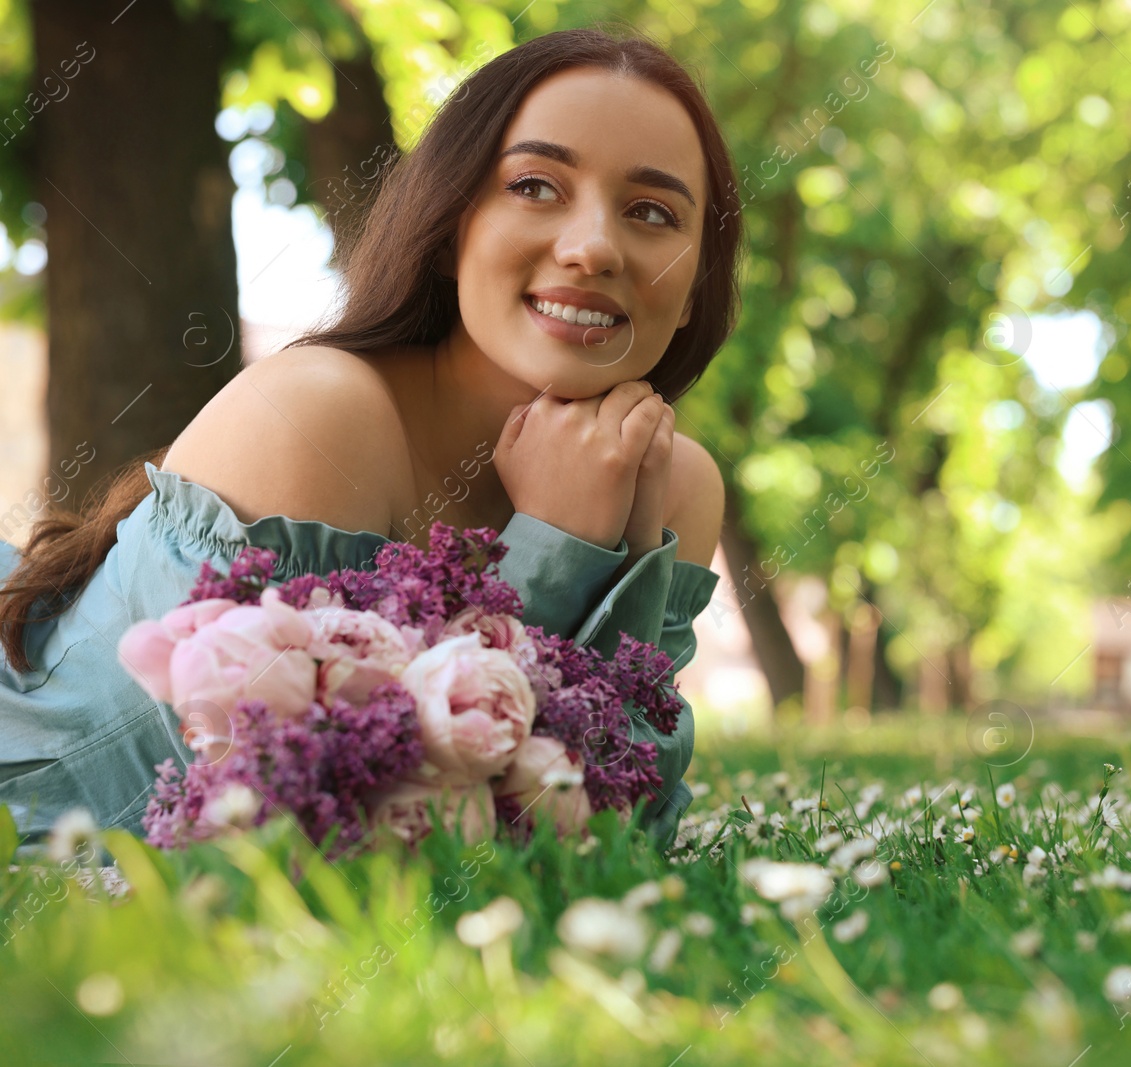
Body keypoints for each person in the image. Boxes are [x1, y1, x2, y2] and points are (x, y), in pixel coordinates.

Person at [0, 25, 744, 855]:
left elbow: (621, 832)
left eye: (652, 212)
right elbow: (315, 842)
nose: (593, 246)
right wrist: (559, 548)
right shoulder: (321, 417)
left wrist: (633, 552)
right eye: (536, 186)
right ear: (454, 223)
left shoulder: (674, 482)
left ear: (692, 289)